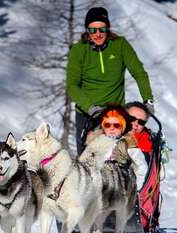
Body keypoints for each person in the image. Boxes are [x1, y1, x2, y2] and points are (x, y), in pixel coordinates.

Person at [66, 6, 154, 154]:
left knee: (117, 156)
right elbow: (72, 85)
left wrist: (148, 100)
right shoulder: (79, 50)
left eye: (102, 29)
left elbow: (139, 72)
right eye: (93, 30)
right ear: (87, 31)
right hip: (87, 113)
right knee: (86, 158)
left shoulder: (120, 45)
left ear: (108, 28)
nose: (98, 34)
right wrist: (91, 108)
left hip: (115, 113)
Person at [87, 105, 148, 190]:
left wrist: (134, 190)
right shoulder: (101, 135)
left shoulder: (135, 143)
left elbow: (142, 168)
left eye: (141, 122)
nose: (136, 124)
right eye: (132, 119)